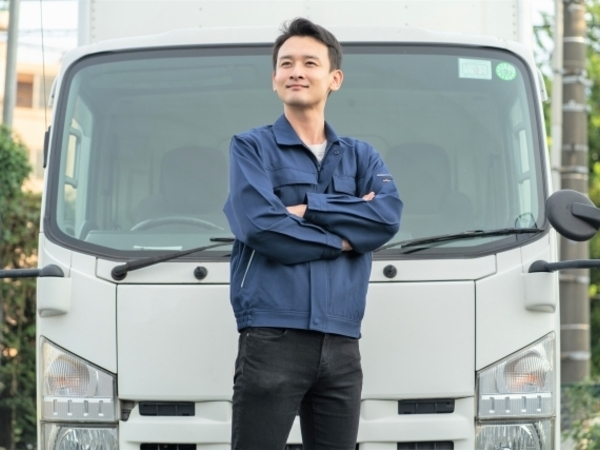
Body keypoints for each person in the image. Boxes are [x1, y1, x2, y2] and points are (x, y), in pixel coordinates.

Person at [223, 17, 402, 450]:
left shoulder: (362, 156)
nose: (296, 72)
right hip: (272, 337)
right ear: (274, 79)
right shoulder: (250, 148)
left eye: (309, 63)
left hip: (342, 342)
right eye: (286, 64)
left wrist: (309, 209)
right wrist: (342, 239)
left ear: (334, 78)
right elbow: (260, 225)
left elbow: (385, 217)